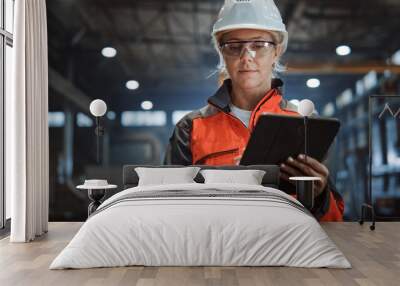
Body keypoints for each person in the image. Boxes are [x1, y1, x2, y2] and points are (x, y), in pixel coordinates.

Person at [164, 0, 344, 221]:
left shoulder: (306, 126)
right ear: (222, 53)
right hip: (216, 250)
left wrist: (320, 196)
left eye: (259, 45)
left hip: (285, 249)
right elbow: (169, 208)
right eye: (234, 46)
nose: (246, 57)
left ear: (277, 51)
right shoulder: (191, 127)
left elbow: (335, 223)